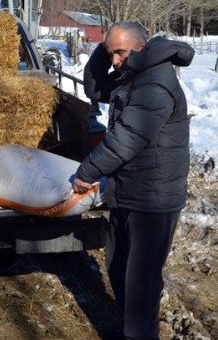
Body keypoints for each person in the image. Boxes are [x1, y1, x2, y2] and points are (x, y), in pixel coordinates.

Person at [73, 21, 194, 339]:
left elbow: (126, 139)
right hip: (129, 191)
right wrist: (104, 48)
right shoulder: (133, 73)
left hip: (153, 199)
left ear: (142, 47)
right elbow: (95, 89)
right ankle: (132, 328)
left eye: (121, 52)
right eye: (111, 53)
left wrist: (86, 173)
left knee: (141, 281)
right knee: (118, 266)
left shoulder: (155, 83)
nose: (115, 61)